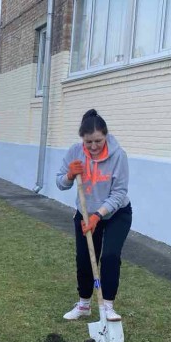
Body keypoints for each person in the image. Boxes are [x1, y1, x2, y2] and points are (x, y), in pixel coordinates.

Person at [56, 109, 132, 323]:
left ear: (105, 136)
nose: (93, 146)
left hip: (116, 214)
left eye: (98, 141)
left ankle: (107, 306)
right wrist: (69, 175)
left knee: (109, 256)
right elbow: (60, 183)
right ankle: (84, 305)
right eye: (88, 142)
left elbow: (119, 193)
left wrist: (98, 215)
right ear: (82, 139)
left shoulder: (118, 155)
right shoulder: (75, 152)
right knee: (85, 258)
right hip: (85, 213)